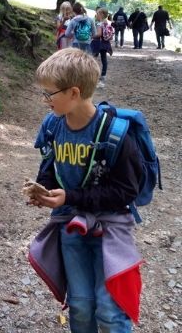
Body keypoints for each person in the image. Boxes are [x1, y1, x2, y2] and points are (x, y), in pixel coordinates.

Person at [27, 48, 143, 332]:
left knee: (109, 311)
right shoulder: (54, 126)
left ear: (74, 93)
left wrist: (71, 197)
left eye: (49, 94)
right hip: (71, 228)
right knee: (79, 306)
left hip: (110, 230)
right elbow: (50, 166)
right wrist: (44, 190)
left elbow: (126, 191)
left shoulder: (116, 134)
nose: (45, 100)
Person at [92, 8, 113, 88]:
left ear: (101, 15)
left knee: (93, 60)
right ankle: (103, 76)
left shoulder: (99, 24)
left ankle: (94, 77)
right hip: (105, 43)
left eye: (97, 14)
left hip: (98, 43)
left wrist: (92, 36)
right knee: (104, 60)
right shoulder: (108, 23)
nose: (96, 15)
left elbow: (99, 34)